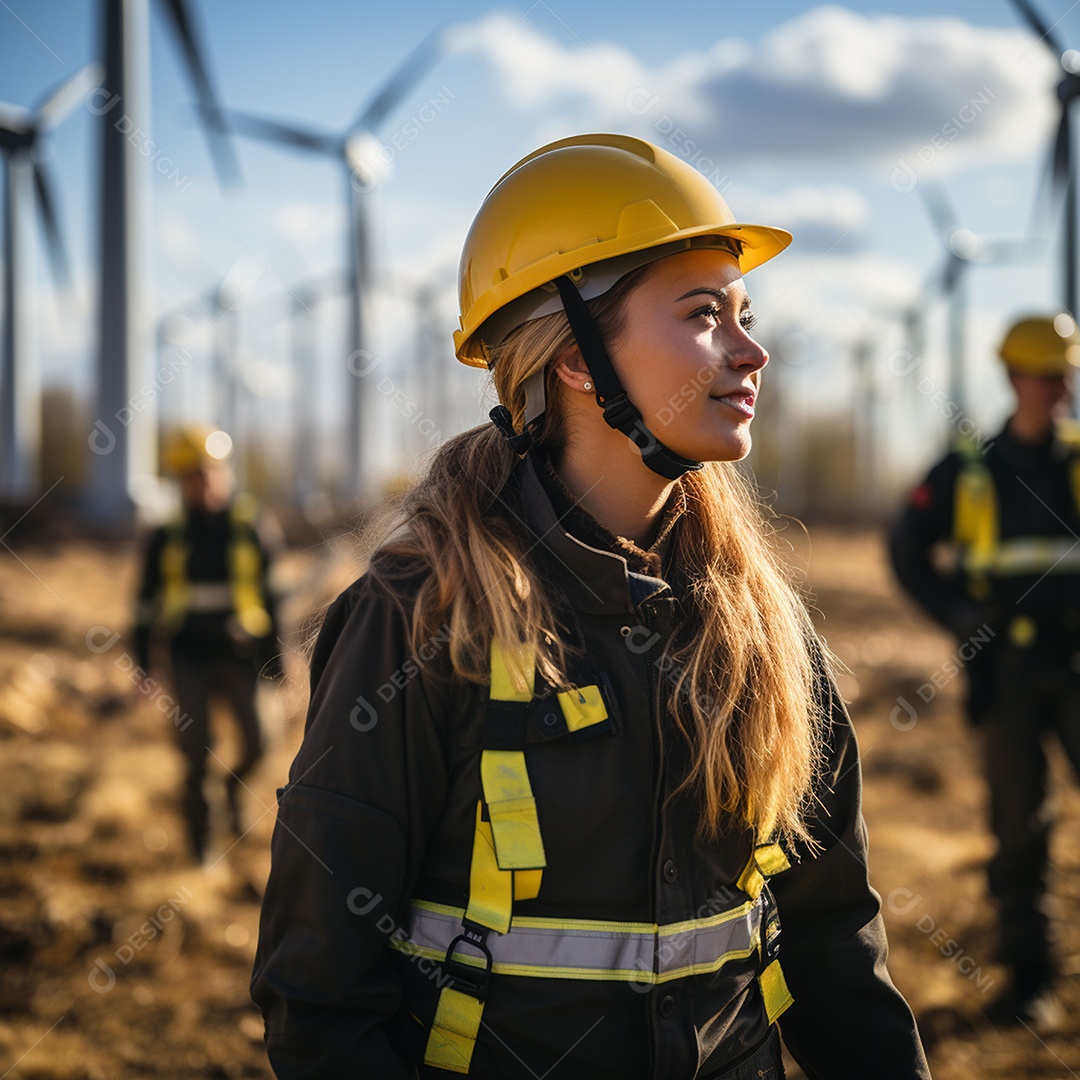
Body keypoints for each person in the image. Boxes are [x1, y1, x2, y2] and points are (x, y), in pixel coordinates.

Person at [251, 134, 930, 1079]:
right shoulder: (417, 617)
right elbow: (319, 999)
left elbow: (833, 941)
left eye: (744, 312)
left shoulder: (764, 624)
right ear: (575, 359)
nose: (752, 350)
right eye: (704, 315)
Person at [890, 314, 1080, 1028]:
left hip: (1077, 661)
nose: (1057, 388)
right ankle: (1032, 981)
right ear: (1011, 378)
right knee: (1020, 828)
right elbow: (906, 548)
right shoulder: (972, 471)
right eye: (1044, 374)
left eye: (1065, 374)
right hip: (1006, 678)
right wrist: (955, 617)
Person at [133, 427, 284, 862]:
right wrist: (144, 666)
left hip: (242, 655)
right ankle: (201, 847)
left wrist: (277, 657)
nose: (207, 481)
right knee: (194, 754)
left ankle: (232, 792)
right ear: (181, 480)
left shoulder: (253, 523)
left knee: (260, 742)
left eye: (214, 470)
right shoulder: (166, 533)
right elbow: (144, 607)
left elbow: (275, 598)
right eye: (196, 473)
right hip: (188, 656)